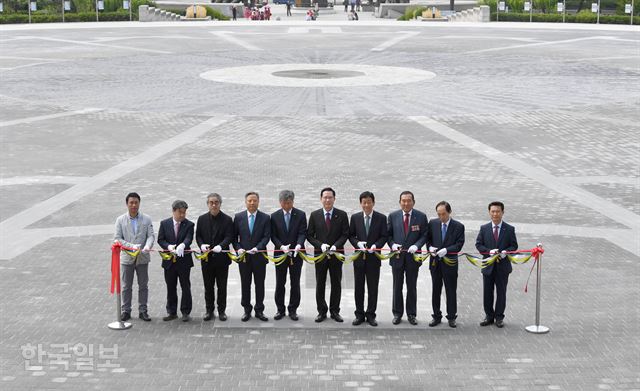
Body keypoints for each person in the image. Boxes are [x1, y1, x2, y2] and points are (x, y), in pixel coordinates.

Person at [307, 187, 349, 323]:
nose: (327, 200)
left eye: (330, 197)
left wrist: (336, 246)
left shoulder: (342, 215)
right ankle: (321, 311)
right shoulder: (314, 215)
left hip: (336, 255)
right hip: (320, 255)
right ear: (321, 199)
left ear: (334, 199)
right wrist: (320, 245)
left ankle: (335, 311)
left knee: (336, 283)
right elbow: (309, 235)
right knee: (320, 283)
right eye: (325, 197)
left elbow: (345, 234)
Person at [387, 191, 428, 326]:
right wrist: (392, 245)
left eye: (408, 200)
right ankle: (397, 313)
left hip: (413, 258)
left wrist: (417, 246)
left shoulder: (421, 217)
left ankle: (411, 314)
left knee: (412, 286)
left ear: (413, 202)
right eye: (403, 201)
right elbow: (388, 235)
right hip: (397, 257)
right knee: (397, 286)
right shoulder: (393, 216)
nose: (406, 203)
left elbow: (424, 235)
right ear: (400, 202)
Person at [348, 191, 388, 326]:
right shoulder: (355, 218)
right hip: (359, 258)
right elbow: (351, 235)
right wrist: (357, 243)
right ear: (361, 203)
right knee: (358, 287)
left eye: (369, 202)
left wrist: (376, 246)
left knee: (373, 287)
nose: (366, 205)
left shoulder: (381, 218)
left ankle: (371, 314)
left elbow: (384, 236)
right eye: (364, 202)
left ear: (373, 203)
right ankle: (359, 314)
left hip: (373, 259)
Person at [476, 201, 518, 328]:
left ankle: (499, 317)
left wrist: (506, 252)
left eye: (498, 211)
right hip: (488, 266)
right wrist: (488, 251)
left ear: (502, 212)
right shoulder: (484, 228)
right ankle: (489, 316)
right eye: (493, 211)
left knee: (501, 292)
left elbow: (514, 246)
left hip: (502, 267)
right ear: (489, 212)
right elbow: (479, 245)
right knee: (487, 292)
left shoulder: (509, 229)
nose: (495, 214)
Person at [113, 192, 155, 322]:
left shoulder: (146, 219)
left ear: (139, 203)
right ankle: (126, 310)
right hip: (127, 258)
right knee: (126, 286)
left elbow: (151, 235)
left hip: (142, 257)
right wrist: (131, 246)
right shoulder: (120, 220)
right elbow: (117, 239)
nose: (134, 205)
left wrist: (147, 246)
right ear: (127, 204)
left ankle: (143, 310)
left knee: (143, 285)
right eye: (131, 202)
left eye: (136, 202)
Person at [195, 193, 234, 321]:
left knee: (222, 286)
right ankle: (209, 310)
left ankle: (222, 311)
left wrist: (221, 246)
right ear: (207, 204)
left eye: (216, 202)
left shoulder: (227, 219)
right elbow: (198, 235)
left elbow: (229, 236)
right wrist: (201, 245)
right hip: (207, 259)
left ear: (220, 204)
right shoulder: (201, 219)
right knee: (208, 286)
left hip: (222, 260)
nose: (214, 205)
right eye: (211, 202)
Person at [426, 201, 465, 328]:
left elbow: (459, 245)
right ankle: (436, 316)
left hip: (450, 264)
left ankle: (452, 317)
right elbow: (428, 240)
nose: (441, 217)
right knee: (435, 290)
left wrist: (447, 250)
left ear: (449, 212)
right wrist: (430, 248)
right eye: (439, 214)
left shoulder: (458, 226)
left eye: (443, 214)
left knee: (450, 290)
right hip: (435, 263)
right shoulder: (433, 223)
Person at [233, 192, 271, 322]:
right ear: (245, 202)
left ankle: (259, 310)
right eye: (249, 201)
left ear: (258, 202)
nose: (252, 203)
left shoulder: (265, 218)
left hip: (259, 256)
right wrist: (238, 248)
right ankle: (246, 310)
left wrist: (258, 247)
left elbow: (267, 236)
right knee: (245, 284)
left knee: (259, 284)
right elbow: (234, 237)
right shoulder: (238, 217)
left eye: (254, 200)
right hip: (244, 258)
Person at [270, 190, 307, 321]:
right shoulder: (274, 216)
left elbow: (303, 233)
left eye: (289, 203)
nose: (287, 205)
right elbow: (273, 235)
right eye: (285, 203)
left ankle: (293, 309)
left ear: (293, 201)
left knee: (295, 283)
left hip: (296, 254)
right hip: (280, 254)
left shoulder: (301, 215)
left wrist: (299, 244)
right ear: (280, 202)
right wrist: (281, 246)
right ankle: (280, 309)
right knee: (280, 282)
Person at [157, 200, 195, 322]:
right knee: (171, 286)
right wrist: (168, 246)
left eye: (184, 213)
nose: (183, 215)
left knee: (185, 286)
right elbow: (160, 239)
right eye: (180, 212)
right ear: (173, 211)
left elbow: (189, 238)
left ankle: (185, 311)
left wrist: (183, 245)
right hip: (169, 262)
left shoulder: (189, 224)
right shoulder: (164, 223)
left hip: (184, 262)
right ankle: (172, 312)